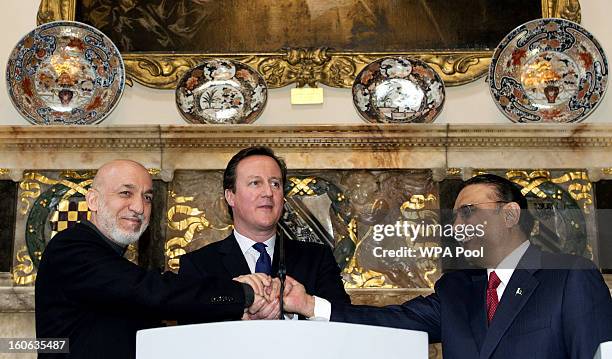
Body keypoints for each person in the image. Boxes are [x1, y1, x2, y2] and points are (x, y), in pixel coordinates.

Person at [283, 174, 612, 359]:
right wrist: (310, 305)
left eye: (467, 212)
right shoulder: (457, 289)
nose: (456, 225)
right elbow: (391, 320)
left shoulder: (570, 276)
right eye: (454, 216)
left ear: (510, 215)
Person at [35, 160, 274, 359]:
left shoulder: (111, 261)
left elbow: (152, 334)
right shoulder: (71, 248)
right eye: (125, 193)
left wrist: (233, 314)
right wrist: (242, 293)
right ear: (93, 200)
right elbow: (153, 291)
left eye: (147, 197)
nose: (139, 207)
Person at [179, 146, 350, 320]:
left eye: (275, 184)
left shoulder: (316, 258)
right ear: (230, 196)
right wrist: (238, 312)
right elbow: (190, 334)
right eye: (255, 183)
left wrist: (299, 309)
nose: (268, 193)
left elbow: (344, 321)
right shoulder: (199, 265)